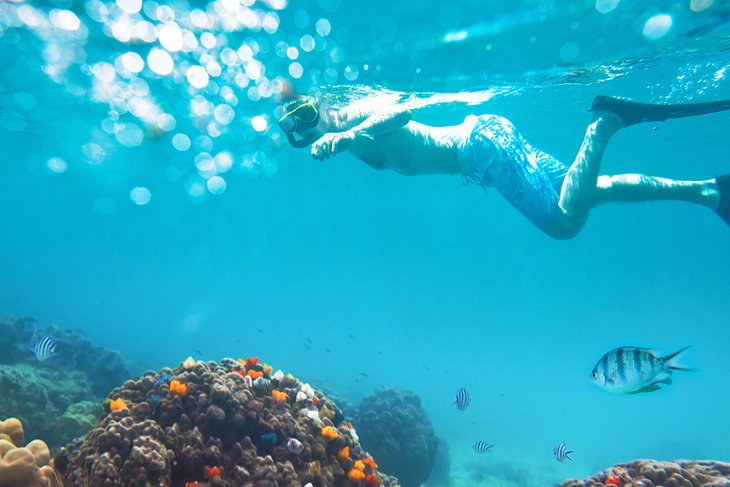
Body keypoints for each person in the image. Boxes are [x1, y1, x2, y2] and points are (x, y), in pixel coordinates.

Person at [277, 94, 730, 239]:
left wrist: (346, 134)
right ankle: (708, 192)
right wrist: (339, 139)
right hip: (485, 141)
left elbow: (400, 112)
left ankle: (606, 122)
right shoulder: (343, 136)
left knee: (564, 223)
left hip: (480, 148)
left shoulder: (357, 112)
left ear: (324, 103)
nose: (307, 127)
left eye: (307, 112)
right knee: (593, 189)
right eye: (295, 126)